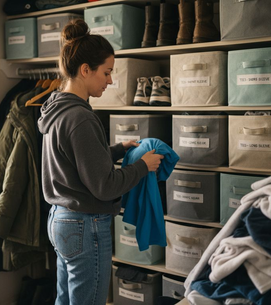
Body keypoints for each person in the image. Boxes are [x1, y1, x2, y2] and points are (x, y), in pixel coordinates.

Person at [37, 19, 165, 305]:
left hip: (60, 219)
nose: (109, 81)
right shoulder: (81, 117)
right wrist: (143, 166)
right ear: (85, 70)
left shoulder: (57, 109)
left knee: (65, 299)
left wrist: (119, 149)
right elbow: (104, 187)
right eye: (106, 73)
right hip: (84, 225)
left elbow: (76, 162)